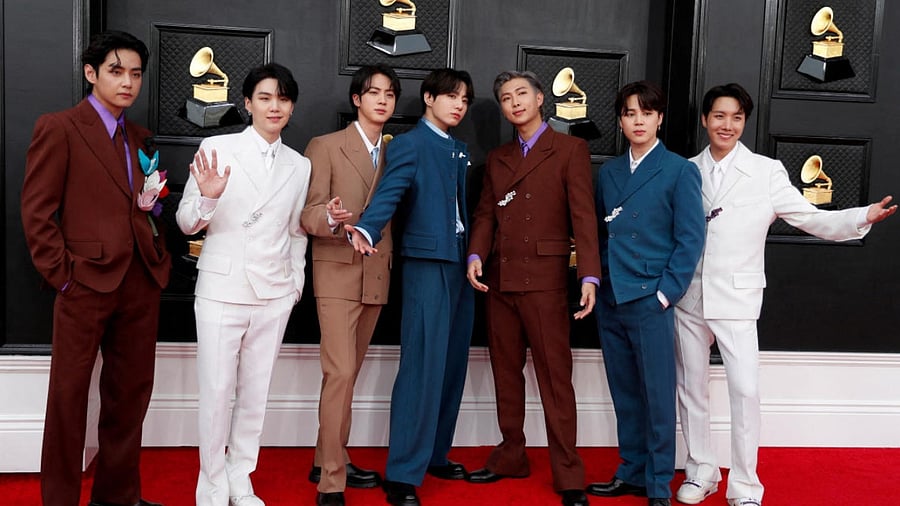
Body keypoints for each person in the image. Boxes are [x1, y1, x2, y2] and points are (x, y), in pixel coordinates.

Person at [672, 83, 897, 506]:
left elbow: (811, 219)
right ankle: (700, 471)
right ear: (705, 120)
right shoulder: (684, 169)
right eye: (719, 116)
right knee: (690, 389)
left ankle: (744, 486)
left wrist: (861, 217)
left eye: (737, 117)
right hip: (689, 296)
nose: (728, 125)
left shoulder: (766, 171)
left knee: (745, 390)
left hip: (738, 299)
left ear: (744, 122)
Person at [20, 30, 171, 506]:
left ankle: (118, 497)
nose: (128, 82)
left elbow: (146, 207)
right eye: (116, 71)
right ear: (91, 74)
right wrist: (62, 275)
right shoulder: (60, 127)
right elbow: (37, 212)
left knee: (129, 400)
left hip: (140, 284)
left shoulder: (139, 136)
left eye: (135, 74)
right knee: (67, 400)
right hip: (82, 284)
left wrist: (154, 243)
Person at [175, 63, 311, 506]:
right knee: (216, 394)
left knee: (256, 395)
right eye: (266, 97)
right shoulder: (216, 147)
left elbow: (295, 233)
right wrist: (209, 196)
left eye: (284, 99)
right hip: (221, 290)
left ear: (291, 107)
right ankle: (211, 486)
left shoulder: (300, 165)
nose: (275, 106)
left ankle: (240, 478)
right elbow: (185, 222)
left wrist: (294, 286)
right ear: (248, 103)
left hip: (274, 295)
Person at [463, 70, 600, 506]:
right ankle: (510, 456)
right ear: (502, 108)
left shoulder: (570, 149)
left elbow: (584, 217)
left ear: (540, 98)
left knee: (556, 380)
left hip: (545, 282)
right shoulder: (498, 158)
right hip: (499, 281)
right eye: (505, 97)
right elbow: (485, 214)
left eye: (522, 93)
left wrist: (589, 276)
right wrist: (474, 255)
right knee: (506, 374)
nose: (515, 102)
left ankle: (569, 474)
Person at [345, 68, 475, 506]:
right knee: (421, 366)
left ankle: (435, 453)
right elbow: (389, 193)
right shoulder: (409, 144)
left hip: (460, 266)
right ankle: (402, 472)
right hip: (425, 265)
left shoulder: (458, 149)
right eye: (451, 97)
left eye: (465, 100)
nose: (459, 105)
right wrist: (367, 228)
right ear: (428, 98)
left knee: (452, 364)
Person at [587, 80, 706, 506]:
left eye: (646, 113)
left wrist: (665, 294)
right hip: (613, 297)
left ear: (659, 118)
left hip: (650, 298)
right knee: (625, 392)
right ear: (621, 120)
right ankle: (632, 471)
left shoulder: (679, 170)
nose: (637, 120)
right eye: (629, 113)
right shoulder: (610, 172)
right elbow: (603, 235)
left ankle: (658, 485)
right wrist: (599, 283)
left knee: (657, 395)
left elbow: (690, 239)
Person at [300, 64, 402, 506]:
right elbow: (307, 213)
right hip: (337, 269)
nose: (382, 99)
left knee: (346, 375)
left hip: (377, 272)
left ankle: (326, 456)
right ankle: (332, 483)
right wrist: (330, 218)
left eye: (390, 93)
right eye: (373, 92)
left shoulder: (398, 151)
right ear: (357, 99)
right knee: (340, 373)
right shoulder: (325, 146)